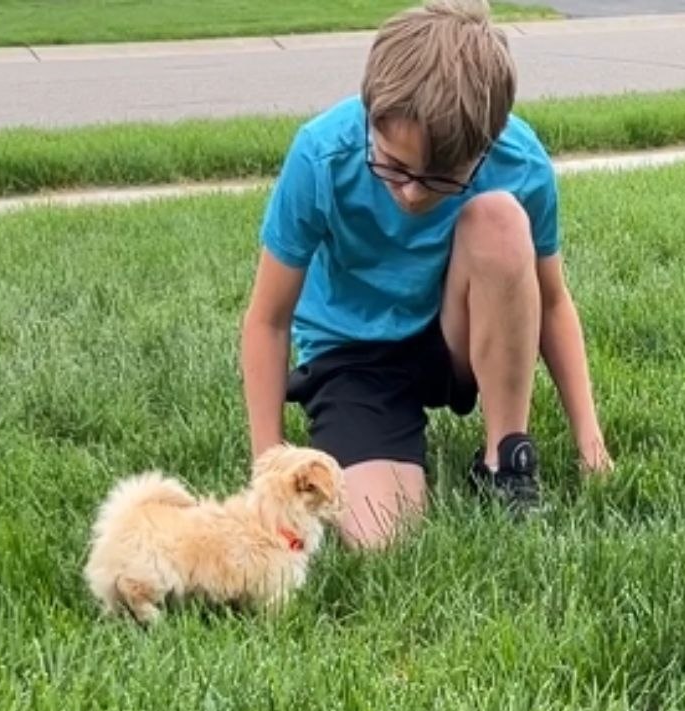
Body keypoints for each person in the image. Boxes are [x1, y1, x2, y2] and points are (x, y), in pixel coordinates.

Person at [239, 0, 612, 551]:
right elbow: (268, 321)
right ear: (372, 117)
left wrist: (591, 443)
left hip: (455, 333)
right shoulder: (322, 155)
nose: (411, 192)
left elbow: (552, 303)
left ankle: (504, 462)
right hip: (355, 357)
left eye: (440, 177)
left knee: (501, 220)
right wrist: (269, 467)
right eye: (392, 164)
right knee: (382, 542)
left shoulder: (520, 161)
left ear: (483, 148)